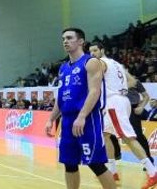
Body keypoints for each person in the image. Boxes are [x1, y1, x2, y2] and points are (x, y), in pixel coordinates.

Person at [45, 28, 115, 189]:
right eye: (63, 38)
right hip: (67, 122)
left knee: (96, 164)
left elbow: (95, 91)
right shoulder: (63, 68)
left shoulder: (91, 62)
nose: (65, 41)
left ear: (81, 41)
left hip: (87, 120)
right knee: (69, 164)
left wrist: (82, 116)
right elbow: (61, 97)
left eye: (69, 38)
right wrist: (50, 119)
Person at [88, 42, 157, 184]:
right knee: (105, 135)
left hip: (114, 102)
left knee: (128, 138)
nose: (92, 54)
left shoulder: (101, 63)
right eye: (90, 52)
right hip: (120, 100)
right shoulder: (117, 64)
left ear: (102, 50)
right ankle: (112, 172)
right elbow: (132, 81)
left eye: (95, 50)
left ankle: (152, 172)